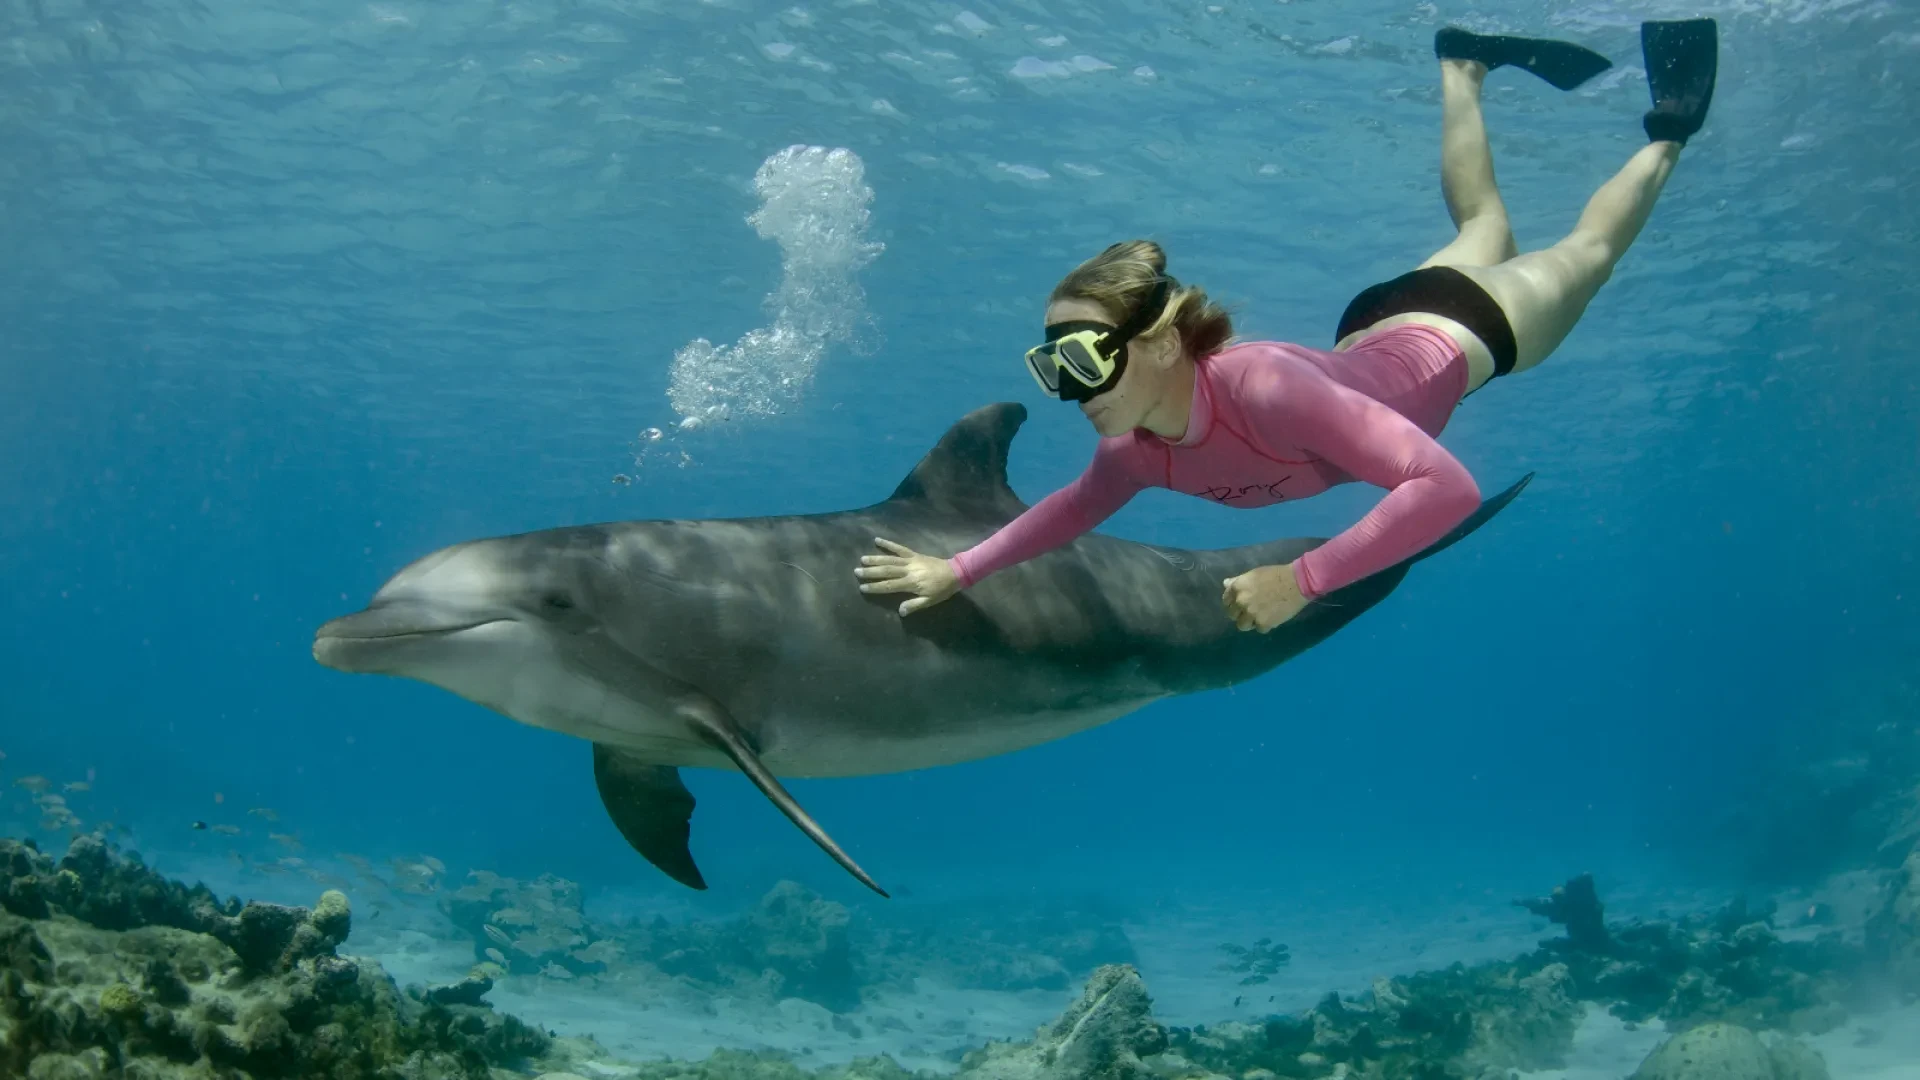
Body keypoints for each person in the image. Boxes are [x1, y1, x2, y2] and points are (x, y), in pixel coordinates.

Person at [855, 20, 1719, 632]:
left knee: (1589, 249)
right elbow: (1064, 515)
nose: (1069, 391)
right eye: (1053, 366)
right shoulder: (1135, 451)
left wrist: (1303, 581)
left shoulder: (1264, 388)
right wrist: (955, 568)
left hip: (1469, 331)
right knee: (1484, 230)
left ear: (1158, 342)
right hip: (1374, 329)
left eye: (1081, 358)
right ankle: (1461, 67)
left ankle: (1670, 127)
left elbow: (1445, 491)